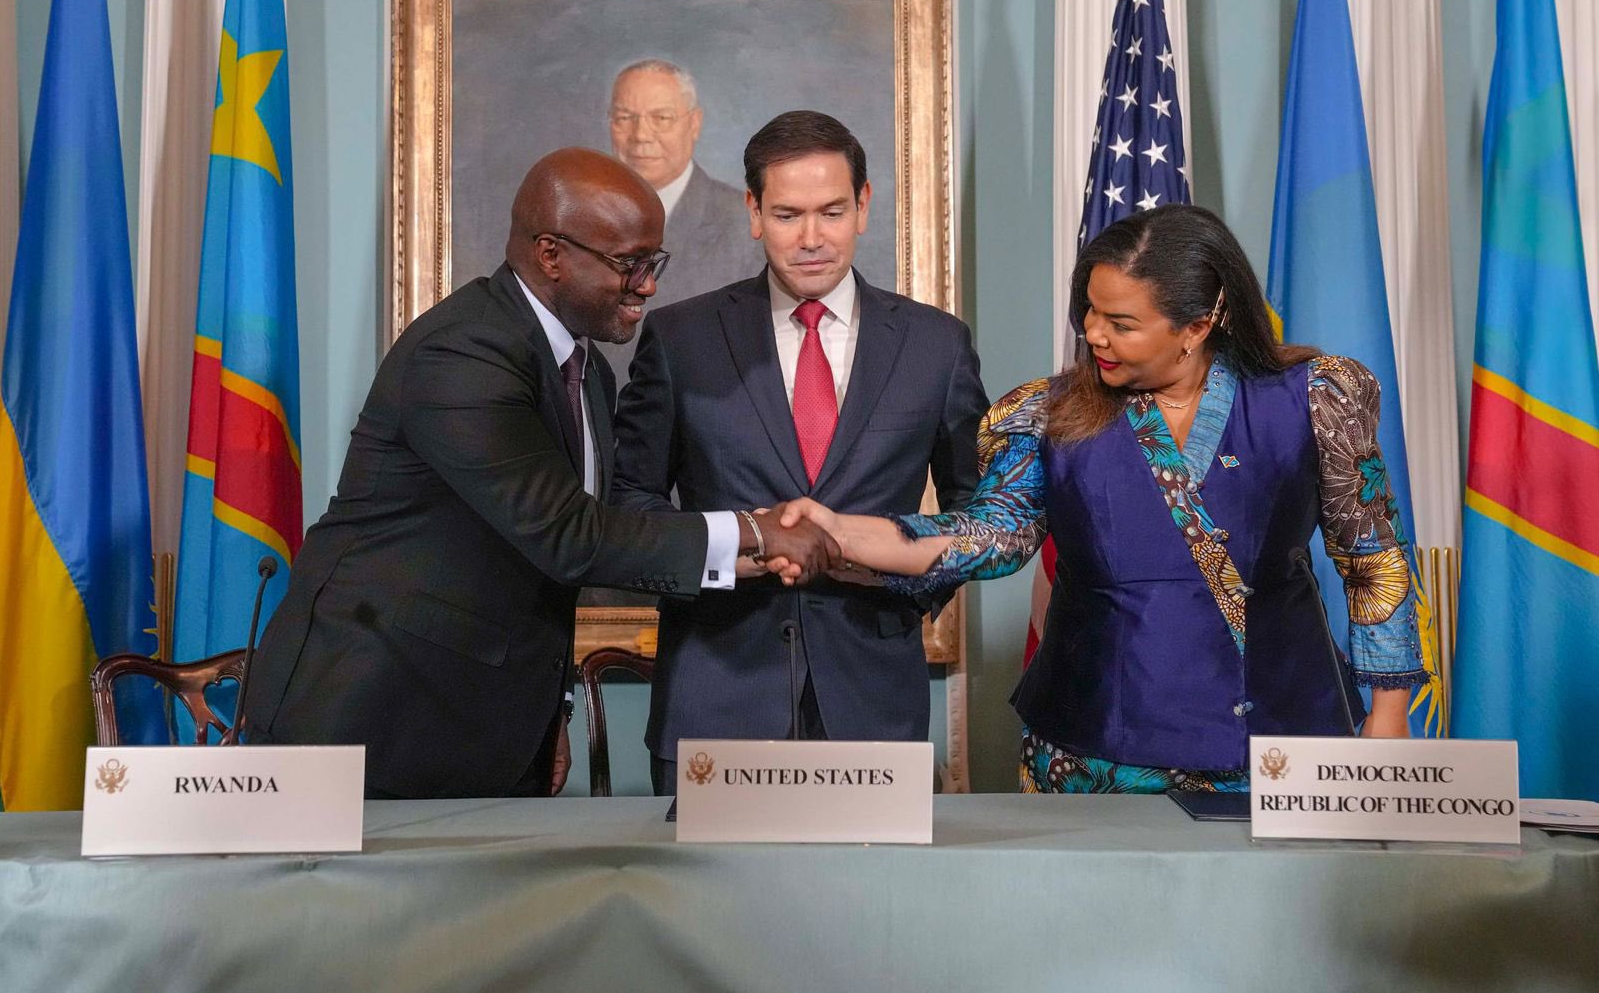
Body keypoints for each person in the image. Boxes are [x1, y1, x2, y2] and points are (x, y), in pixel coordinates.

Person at [241, 148, 839, 800]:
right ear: (551, 255)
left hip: (491, 722)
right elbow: (568, 536)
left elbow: (567, 555)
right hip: (372, 714)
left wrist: (548, 707)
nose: (647, 286)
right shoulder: (463, 352)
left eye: (654, 263)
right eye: (630, 264)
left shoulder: (588, 372)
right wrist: (757, 533)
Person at [777, 205, 1427, 794]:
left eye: (1122, 324)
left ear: (1197, 326)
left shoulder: (1316, 397)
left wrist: (1389, 714)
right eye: (1089, 311)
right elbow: (990, 535)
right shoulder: (1047, 414)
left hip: (1281, 746)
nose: (1094, 334)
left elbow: (1373, 559)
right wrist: (842, 533)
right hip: (1093, 753)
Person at [611, 110, 989, 795]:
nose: (812, 238)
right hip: (714, 698)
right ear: (754, 212)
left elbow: (979, 517)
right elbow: (628, 505)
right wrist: (743, 548)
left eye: (832, 212)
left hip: (875, 703)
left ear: (864, 205)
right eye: (787, 215)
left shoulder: (937, 345)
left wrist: (890, 577)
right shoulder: (680, 339)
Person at [606, 59, 759, 368]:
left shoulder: (746, 223)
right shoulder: (586, 216)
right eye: (625, 117)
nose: (641, 135)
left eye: (661, 118)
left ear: (695, 123)